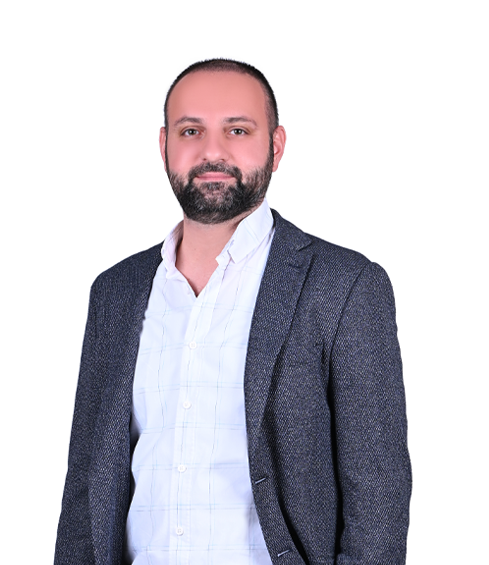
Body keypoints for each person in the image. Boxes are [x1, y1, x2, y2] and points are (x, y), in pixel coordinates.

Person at [54, 59, 412, 565]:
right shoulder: (116, 293)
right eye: (191, 131)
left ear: (276, 146)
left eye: (237, 130)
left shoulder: (343, 285)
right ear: (164, 145)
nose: (212, 151)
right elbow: (86, 488)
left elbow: (377, 495)